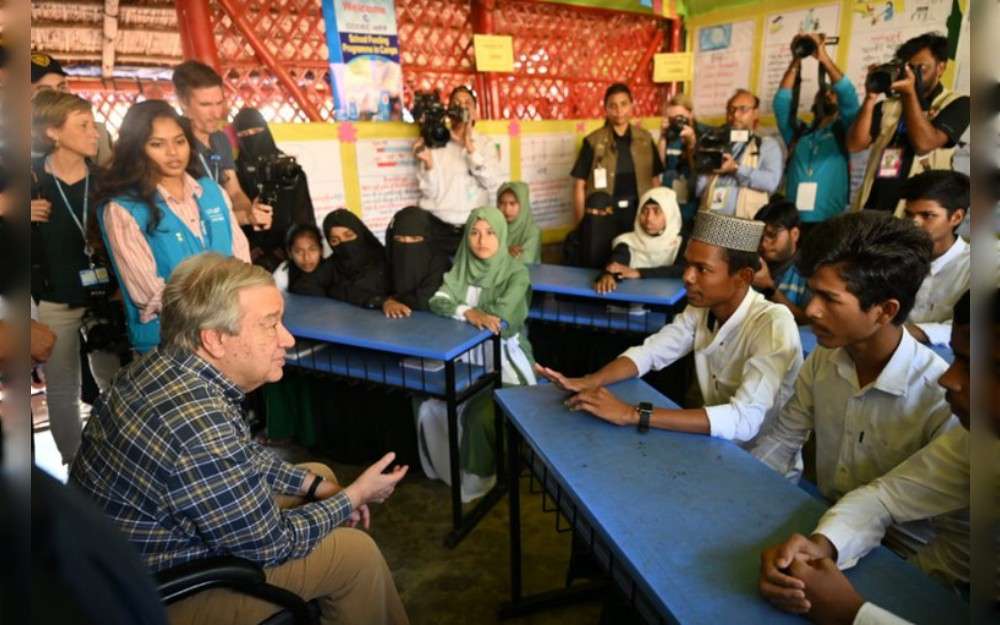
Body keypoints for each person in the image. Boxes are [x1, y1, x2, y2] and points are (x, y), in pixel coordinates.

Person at [69, 253, 409, 625]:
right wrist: (353, 496)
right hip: (150, 598)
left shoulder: (161, 368)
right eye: (270, 325)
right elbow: (272, 544)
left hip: (121, 561)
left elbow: (239, 456)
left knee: (318, 472)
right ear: (214, 339)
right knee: (354, 556)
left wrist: (317, 487)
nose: (288, 339)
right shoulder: (198, 425)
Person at [758, 291, 987, 622]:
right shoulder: (978, 440)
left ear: (885, 311)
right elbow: (883, 497)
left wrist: (851, 613)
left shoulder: (935, 396)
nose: (950, 379)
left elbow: (953, 552)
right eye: (959, 359)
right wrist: (823, 546)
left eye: (986, 367)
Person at [537, 211, 802, 447]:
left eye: (703, 269)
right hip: (716, 448)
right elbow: (651, 352)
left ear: (743, 277)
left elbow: (744, 420)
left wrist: (632, 413)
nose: (687, 276)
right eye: (688, 264)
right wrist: (591, 380)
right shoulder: (701, 310)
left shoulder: (773, 324)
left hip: (763, 464)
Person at [749, 212, 957, 499]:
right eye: (813, 293)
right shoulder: (824, 359)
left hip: (899, 542)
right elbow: (784, 439)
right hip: (827, 518)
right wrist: (739, 485)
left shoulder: (937, 397)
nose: (811, 311)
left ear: (885, 311)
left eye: (830, 299)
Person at [95, 99, 251, 354]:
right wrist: (218, 309)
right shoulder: (123, 209)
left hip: (227, 333)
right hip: (168, 344)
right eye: (157, 144)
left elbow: (242, 264)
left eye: (179, 141)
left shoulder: (212, 191)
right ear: (137, 149)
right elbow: (148, 295)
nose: (173, 152)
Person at [30, 90, 121, 465]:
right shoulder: (28, 179)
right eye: (83, 125)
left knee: (113, 380)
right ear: (53, 131)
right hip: (54, 297)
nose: (95, 132)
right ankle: (74, 461)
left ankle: (121, 458)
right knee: (62, 384)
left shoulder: (106, 181)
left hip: (105, 296)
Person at [420, 206, 535, 501]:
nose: (481, 240)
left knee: (479, 415)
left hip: (506, 362)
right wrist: (469, 312)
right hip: (465, 358)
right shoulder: (461, 266)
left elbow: (501, 319)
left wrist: (466, 312)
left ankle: (479, 482)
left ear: (502, 235)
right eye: (474, 232)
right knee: (428, 405)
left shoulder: (515, 273)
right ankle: (445, 472)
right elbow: (439, 301)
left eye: (490, 232)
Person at [847, 32, 970, 213]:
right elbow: (854, 145)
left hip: (917, 215)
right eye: (909, 67)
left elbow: (924, 144)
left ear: (941, 68)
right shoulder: (888, 105)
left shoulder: (957, 103)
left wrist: (910, 93)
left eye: (920, 68)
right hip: (873, 206)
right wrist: (871, 96)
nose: (912, 74)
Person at [171, 60, 273, 231]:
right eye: (205, 105)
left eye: (219, 103)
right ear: (182, 102)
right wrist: (244, 217)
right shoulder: (175, 144)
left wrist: (252, 212)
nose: (216, 113)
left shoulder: (220, 139)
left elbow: (234, 191)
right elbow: (186, 212)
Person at [774, 33, 860, 225]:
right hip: (793, 223)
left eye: (833, 93)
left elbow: (848, 95)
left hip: (830, 221)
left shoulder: (846, 130)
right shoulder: (798, 134)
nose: (829, 96)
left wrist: (824, 59)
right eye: (824, 92)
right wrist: (797, 58)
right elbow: (781, 103)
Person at [414, 86, 499, 254]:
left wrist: (470, 148)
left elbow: (491, 182)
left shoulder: (486, 144)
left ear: (475, 113)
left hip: (474, 230)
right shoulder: (435, 140)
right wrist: (429, 163)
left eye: (467, 103)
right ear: (449, 111)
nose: (462, 107)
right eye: (456, 104)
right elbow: (429, 193)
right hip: (438, 229)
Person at [571, 83, 664, 235]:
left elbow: (655, 180)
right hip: (604, 216)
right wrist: (581, 225)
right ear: (606, 109)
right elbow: (579, 185)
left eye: (623, 104)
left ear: (632, 106)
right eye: (612, 106)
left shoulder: (645, 139)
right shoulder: (592, 141)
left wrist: (658, 215)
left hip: (639, 213)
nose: (619, 111)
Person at [233, 106, 317, 272]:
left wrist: (290, 251)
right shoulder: (233, 174)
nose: (251, 138)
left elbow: (303, 215)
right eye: (244, 135)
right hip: (247, 255)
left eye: (256, 131)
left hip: (289, 253)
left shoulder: (288, 170)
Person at [899, 171, 969, 347]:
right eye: (908, 214)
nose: (914, 223)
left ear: (956, 217)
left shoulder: (982, 266)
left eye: (927, 215)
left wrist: (897, 333)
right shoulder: (892, 258)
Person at [696, 89, 783, 218]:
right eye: (731, 110)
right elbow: (699, 190)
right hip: (709, 221)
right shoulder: (715, 142)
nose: (735, 115)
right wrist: (707, 166)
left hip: (745, 225)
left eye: (742, 109)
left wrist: (736, 168)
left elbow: (771, 183)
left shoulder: (767, 145)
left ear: (755, 113)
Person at [594, 186, 685, 294]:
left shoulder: (681, 243)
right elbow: (616, 264)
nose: (649, 218)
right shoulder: (627, 242)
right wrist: (608, 276)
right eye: (644, 211)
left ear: (670, 215)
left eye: (656, 211)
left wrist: (638, 272)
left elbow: (682, 270)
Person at [31, 52, 113, 166]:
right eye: (46, 91)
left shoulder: (97, 133)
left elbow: (108, 178)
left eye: (62, 87)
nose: (58, 95)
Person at [382, 205, 449, 319]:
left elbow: (427, 299)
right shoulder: (388, 258)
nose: (406, 245)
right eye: (399, 239)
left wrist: (389, 300)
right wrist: (385, 301)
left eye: (415, 239)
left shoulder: (440, 264)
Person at [752, 199, 810, 324]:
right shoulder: (753, 264)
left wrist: (769, 288)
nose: (763, 243)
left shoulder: (809, 271)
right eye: (760, 237)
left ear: (794, 234)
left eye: (772, 235)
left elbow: (809, 322)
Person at [322, 209, 389, 309]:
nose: (344, 244)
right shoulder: (330, 266)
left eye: (348, 235)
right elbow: (305, 286)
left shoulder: (385, 260)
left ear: (360, 232)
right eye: (335, 240)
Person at [657, 93, 704, 228]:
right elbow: (659, 166)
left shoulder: (702, 133)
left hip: (690, 197)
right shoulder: (670, 134)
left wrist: (691, 143)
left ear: (691, 114)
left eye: (680, 118)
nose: (677, 123)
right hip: (668, 195)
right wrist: (662, 137)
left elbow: (698, 169)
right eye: (672, 119)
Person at [274, 223, 333, 297]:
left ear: (321, 250)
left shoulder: (332, 269)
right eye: (299, 251)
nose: (306, 257)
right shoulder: (284, 272)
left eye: (312, 250)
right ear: (290, 253)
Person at [565, 190, 619, 268]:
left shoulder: (620, 239)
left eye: (600, 212)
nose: (594, 217)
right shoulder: (573, 238)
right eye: (589, 212)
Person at [496, 181, 541, 263]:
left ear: (523, 205)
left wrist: (498, 253)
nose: (507, 209)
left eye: (512, 204)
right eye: (502, 203)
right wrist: (506, 252)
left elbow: (525, 260)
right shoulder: (494, 227)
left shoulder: (531, 230)